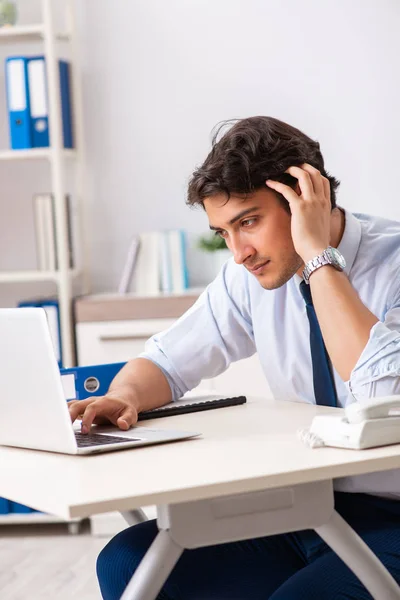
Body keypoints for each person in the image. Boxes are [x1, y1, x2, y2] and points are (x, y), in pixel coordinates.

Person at [69, 116, 400, 600]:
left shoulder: (391, 263)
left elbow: (384, 396)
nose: (239, 252)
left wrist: (317, 257)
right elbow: (166, 361)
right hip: (304, 509)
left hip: (391, 518)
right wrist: (123, 397)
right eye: (224, 232)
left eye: (248, 222)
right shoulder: (247, 278)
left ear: (307, 197)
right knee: (129, 561)